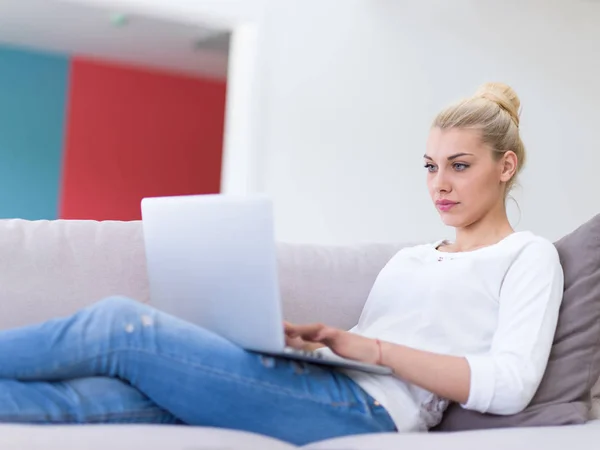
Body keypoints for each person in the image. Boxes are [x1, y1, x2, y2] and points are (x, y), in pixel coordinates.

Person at [0, 82, 564, 446]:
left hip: (368, 411)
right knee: (87, 400)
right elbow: (371, 339)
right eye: (429, 165)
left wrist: (371, 350)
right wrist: (315, 345)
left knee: (120, 327)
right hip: (320, 381)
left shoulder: (528, 256)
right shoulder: (412, 259)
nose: (439, 184)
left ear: (506, 165)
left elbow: (510, 385)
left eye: (459, 166)